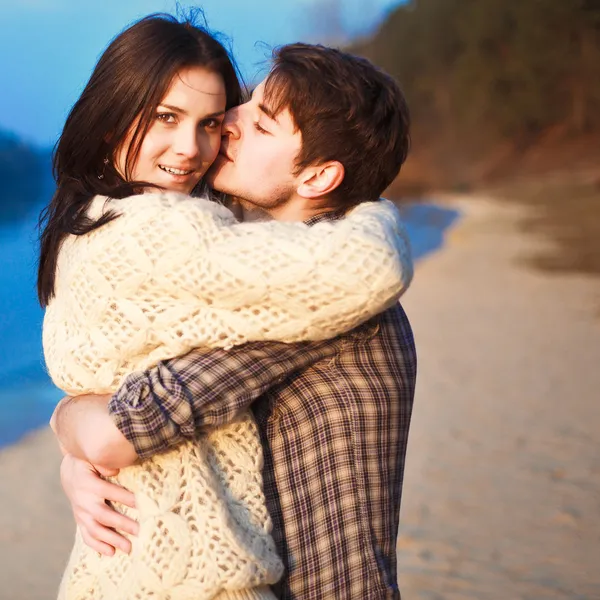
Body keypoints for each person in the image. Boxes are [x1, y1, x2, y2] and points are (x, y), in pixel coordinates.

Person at [41, 13, 413, 600]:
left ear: (319, 175)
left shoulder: (320, 305)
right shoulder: (216, 262)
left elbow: (128, 424)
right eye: (172, 116)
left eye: (253, 123)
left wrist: (74, 432)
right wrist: (73, 437)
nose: (222, 133)